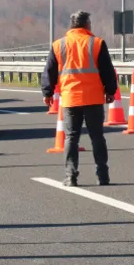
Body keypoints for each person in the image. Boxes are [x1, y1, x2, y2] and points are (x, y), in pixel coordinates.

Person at [41, 11, 118, 186]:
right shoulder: (97, 43)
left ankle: (71, 176)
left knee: (71, 138)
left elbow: (49, 71)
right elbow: (107, 70)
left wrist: (47, 93)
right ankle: (103, 175)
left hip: (70, 98)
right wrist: (110, 91)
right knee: (97, 137)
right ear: (87, 25)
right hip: (93, 98)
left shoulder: (58, 45)